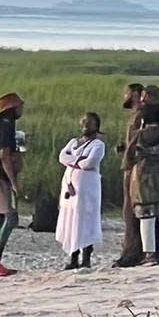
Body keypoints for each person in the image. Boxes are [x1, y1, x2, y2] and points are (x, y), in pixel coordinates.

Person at [126, 103, 159, 265]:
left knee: (146, 220)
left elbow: (129, 158)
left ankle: (149, 255)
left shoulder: (138, 135)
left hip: (142, 181)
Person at [56, 113, 105, 269]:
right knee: (71, 220)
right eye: (83, 121)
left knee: (86, 220)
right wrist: (78, 161)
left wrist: (72, 162)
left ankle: (86, 258)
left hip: (87, 189)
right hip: (70, 188)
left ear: (96, 125)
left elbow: (89, 163)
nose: (85, 125)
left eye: (89, 122)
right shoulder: (73, 142)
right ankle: (73, 257)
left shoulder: (98, 145)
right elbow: (61, 157)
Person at [0, 93, 24, 278]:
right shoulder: (7, 127)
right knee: (10, 217)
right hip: (0, 176)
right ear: (12, 108)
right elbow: (4, 156)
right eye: (19, 106)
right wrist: (15, 183)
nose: (21, 109)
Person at [113, 83, 145, 268]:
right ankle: (131, 248)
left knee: (131, 210)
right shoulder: (134, 114)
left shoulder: (141, 115)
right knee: (128, 210)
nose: (124, 96)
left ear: (134, 94)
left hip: (134, 167)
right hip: (129, 164)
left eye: (126, 93)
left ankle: (132, 251)